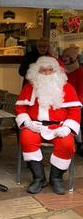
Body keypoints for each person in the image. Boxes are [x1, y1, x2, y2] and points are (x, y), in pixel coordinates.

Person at [15, 56, 81, 195]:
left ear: (56, 72)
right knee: (26, 138)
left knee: (67, 144)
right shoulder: (29, 87)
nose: (46, 73)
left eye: (50, 70)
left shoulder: (67, 88)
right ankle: (39, 178)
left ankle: (56, 178)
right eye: (42, 70)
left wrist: (67, 128)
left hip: (59, 127)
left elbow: (75, 111)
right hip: (35, 126)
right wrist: (28, 123)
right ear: (36, 72)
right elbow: (20, 109)